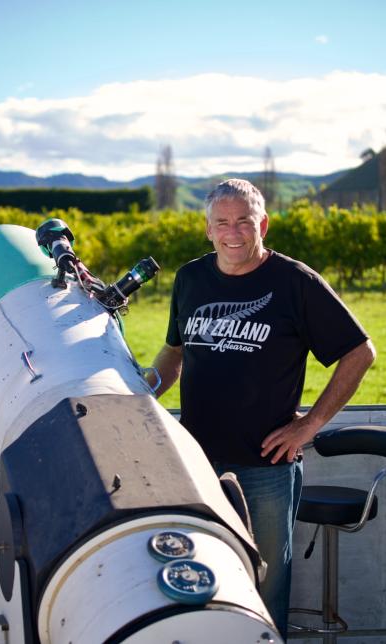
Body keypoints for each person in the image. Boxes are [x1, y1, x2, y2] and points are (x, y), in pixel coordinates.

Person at [148, 179, 375, 641]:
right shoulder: (190, 278)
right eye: (222, 223)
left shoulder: (296, 282)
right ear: (208, 230)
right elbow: (174, 351)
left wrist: (310, 425)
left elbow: (360, 351)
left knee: (265, 588)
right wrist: (142, 391)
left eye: (243, 222)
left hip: (266, 468)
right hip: (197, 463)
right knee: (202, 578)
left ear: (263, 225)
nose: (233, 232)